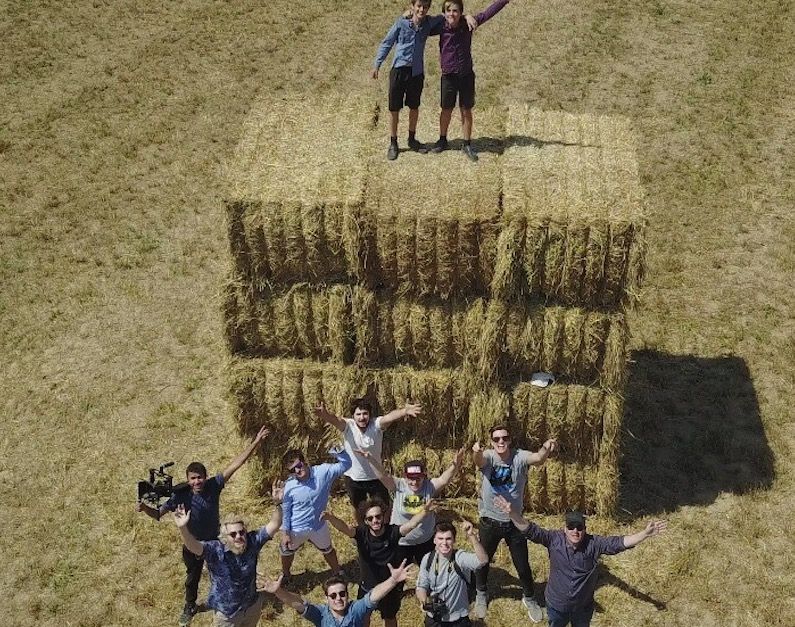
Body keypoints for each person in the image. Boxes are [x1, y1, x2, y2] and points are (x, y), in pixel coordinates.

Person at [136, 426, 271, 626]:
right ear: (188, 479)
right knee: (192, 578)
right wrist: (143, 508)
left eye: (200, 477)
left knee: (230, 574)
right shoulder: (179, 496)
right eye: (193, 478)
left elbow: (236, 464)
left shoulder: (214, 486)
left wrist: (257, 442)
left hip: (215, 544)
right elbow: (157, 514)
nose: (197, 481)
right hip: (193, 545)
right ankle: (190, 607)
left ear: (206, 477)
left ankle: (231, 601)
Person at [494, 496, 668, 627]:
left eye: (579, 527)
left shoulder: (594, 544)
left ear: (585, 529)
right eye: (571, 527)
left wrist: (644, 534)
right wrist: (512, 513)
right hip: (556, 605)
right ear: (564, 528)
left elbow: (619, 543)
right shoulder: (554, 540)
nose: (575, 531)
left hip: (583, 609)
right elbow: (531, 530)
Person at [471, 424, 558, 622]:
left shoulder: (519, 456)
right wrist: (475, 451)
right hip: (489, 520)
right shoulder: (489, 457)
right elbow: (478, 461)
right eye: (496, 439)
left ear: (510, 440)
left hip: (514, 522)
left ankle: (529, 597)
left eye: (504, 438)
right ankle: (481, 593)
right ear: (491, 442)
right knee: (483, 561)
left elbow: (538, 459)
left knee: (522, 564)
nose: (501, 442)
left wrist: (545, 448)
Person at [372, 0, 476, 160]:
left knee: (414, 107)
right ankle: (393, 143)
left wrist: (467, 15)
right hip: (399, 70)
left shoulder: (429, 23)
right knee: (394, 108)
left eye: (425, 7)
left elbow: (448, 15)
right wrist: (377, 64)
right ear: (412, 6)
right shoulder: (401, 23)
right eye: (419, 6)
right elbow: (387, 43)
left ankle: (412, 139)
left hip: (416, 72)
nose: (422, 9)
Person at [172, 479, 283, 627]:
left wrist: (278, 504)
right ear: (225, 538)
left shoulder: (252, 541)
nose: (239, 536)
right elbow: (193, 546)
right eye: (233, 534)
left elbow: (275, 524)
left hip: (251, 606)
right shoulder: (215, 550)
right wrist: (183, 528)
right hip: (227, 615)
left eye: (241, 532)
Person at [322, 498, 439, 627]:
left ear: (383, 516)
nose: (375, 521)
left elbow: (411, 525)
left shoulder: (392, 532)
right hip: (367, 588)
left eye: (378, 516)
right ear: (365, 520)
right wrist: (330, 518)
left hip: (389, 588)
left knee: (390, 618)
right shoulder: (361, 533)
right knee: (362, 619)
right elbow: (345, 528)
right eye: (370, 518)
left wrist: (425, 511)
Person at [356, 446, 466, 566]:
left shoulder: (430, 486)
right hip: (402, 542)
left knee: (429, 571)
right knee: (400, 575)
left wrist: (455, 464)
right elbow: (382, 475)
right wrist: (370, 459)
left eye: (418, 478)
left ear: (424, 476)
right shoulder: (398, 485)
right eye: (410, 479)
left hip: (425, 541)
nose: (414, 482)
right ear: (405, 477)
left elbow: (445, 479)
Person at [431, 0, 512, 161]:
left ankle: (467, 143)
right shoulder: (440, 26)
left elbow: (489, 13)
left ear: (460, 12)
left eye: (455, 11)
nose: (451, 14)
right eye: (448, 11)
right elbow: (420, 23)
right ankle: (442, 140)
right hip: (448, 76)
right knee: (446, 109)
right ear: (444, 13)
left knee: (466, 109)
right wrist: (408, 15)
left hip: (466, 75)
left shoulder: (468, 24)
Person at [315, 398, 422, 516]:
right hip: (354, 479)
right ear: (353, 416)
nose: (362, 417)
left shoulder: (376, 425)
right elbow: (335, 420)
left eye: (365, 413)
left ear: (370, 415)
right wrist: (324, 414)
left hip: (376, 477)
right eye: (358, 414)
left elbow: (389, 417)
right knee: (360, 510)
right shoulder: (348, 426)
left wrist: (404, 411)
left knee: (383, 509)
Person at [258, 560, 414, 627]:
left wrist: (393, 581)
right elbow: (298, 603)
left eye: (342, 594)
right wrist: (278, 591)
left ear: (347, 594)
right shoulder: (320, 614)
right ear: (326, 598)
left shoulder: (355, 610)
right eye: (333, 596)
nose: (338, 598)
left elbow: (373, 595)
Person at [280, 446, 352, 581]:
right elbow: (286, 510)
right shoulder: (289, 486)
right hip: (297, 528)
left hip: (318, 525)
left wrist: (338, 451)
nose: (297, 470)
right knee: (287, 551)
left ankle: (337, 571)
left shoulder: (323, 472)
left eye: (299, 465)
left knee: (328, 550)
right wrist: (285, 533)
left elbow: (346, 464)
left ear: (305, 461)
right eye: (292, 470)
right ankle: (286, 574)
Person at [416, 520, 489, 627]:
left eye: (448, 539)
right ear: (434, 540)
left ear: (454, 540)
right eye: (440, 538)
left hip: (458, 619)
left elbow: (483, 561)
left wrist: (471, 536)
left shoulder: (460, 558)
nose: (444, 543)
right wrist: (424, 602)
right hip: (434, 618)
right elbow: (421, 586)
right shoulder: (428, 559)